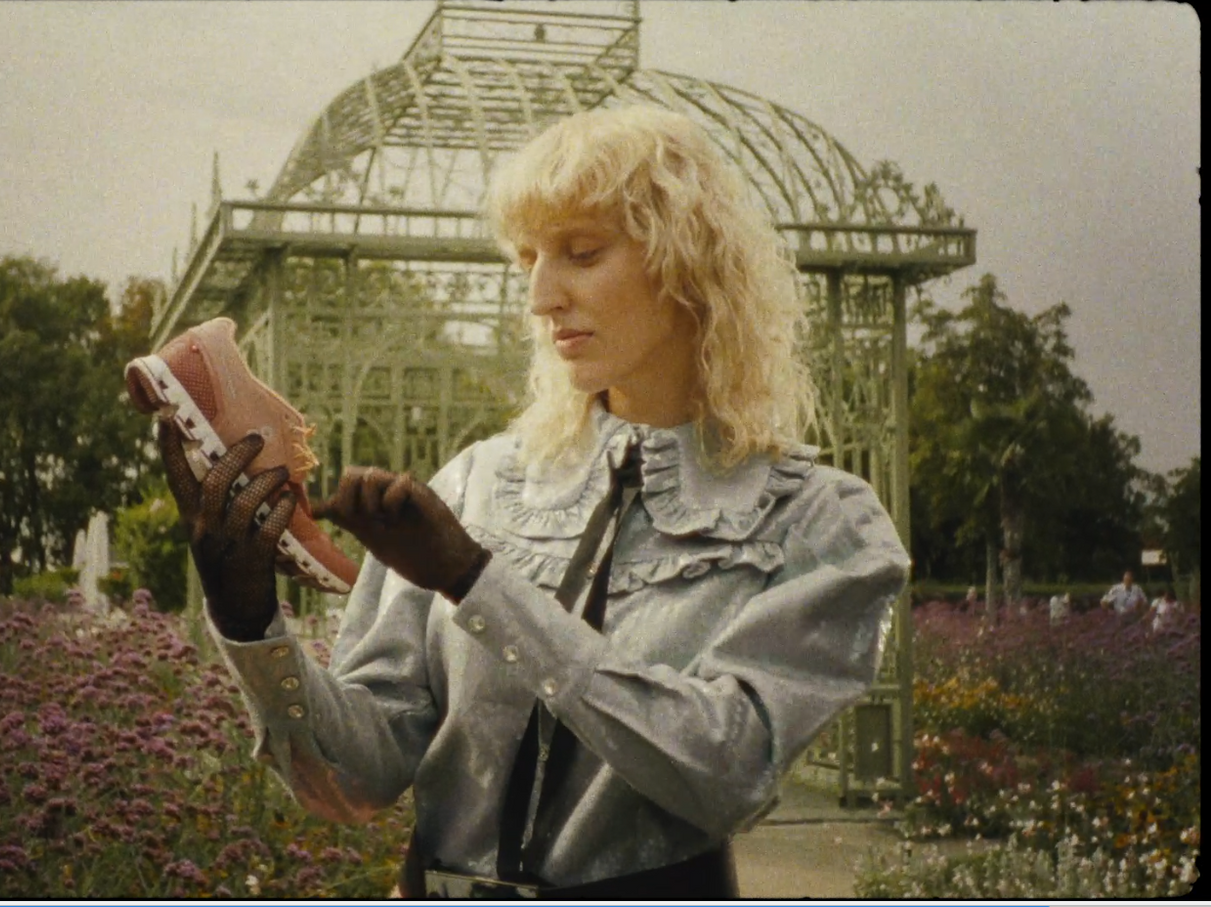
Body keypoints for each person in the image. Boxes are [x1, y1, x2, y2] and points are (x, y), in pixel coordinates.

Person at [156, 106, 909, 898]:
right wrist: (248, 617)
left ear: (687, 261)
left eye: (582, 253)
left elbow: (726, 770)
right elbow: (357, 779)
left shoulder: (816, 521)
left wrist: (479, 582)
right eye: (529, 260)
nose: (543, 296)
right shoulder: (476, 484)